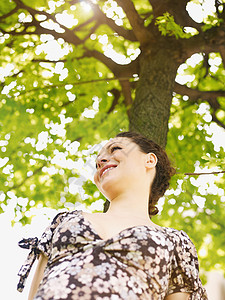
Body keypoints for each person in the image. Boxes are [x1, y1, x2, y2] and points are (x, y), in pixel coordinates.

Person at [17, 131, 208, 300]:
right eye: (97, 160)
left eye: (115, 149)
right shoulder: (64, 221)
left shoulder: (175, 241)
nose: (101, 161)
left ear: (149, 160)